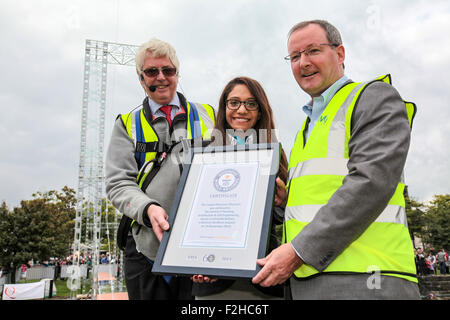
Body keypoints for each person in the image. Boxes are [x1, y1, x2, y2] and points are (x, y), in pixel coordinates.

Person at [252, 19, 420, 299]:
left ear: (340, 54)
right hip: (308, 279)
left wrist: (297, 251)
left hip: (366, 278)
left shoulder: (372, 97)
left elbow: (370, 183)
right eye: (294, 56)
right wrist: (286, 200)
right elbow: (322, 193)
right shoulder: (308, 126)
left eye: (313, 51)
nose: (303, 62)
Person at [105, 38, 215, 300]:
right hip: (146, 248)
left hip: (200, 243)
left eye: (168, 70)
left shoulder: (209, 114)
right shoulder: (127, 124)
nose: (161, 77)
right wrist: (148, 208)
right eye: (152, 72)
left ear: (178, 74)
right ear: (141, 79)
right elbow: (118, 183)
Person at [191, 76, 289, 299]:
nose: (241, 110)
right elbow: (194, 215)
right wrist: (194, 259)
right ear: (224, 107)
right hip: (213, 278)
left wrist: (282, 203)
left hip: (263, 276)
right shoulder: (202, 154)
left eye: (251, 103)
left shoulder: (275, 151)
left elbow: (281, 218)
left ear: (261, 110)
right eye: (234, 102)